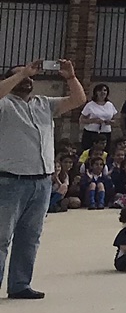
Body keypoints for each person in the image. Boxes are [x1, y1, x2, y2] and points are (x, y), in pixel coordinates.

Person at [0, 60, 82, 299]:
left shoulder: (43, 103)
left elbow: (78, 100)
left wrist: (70, 77)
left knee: (30, 237)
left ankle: (20, 284)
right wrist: (21, 73)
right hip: (9, 181)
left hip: (41, 182)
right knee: (2, 237)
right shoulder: (5, 104)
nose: (27, 79)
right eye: (21, 76)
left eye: (30, 77)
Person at [80, 82, 117, 161]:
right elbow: (81, 119)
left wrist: (109, 122)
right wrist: (93, 120)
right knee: (89, 152)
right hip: (91, 132)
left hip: (105, 132)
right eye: (100, 91)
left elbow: (114, 120)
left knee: (104, 153)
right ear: (96, 92)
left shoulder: (109, 105)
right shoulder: (90, 105)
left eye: (105, 90)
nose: (103, 92)